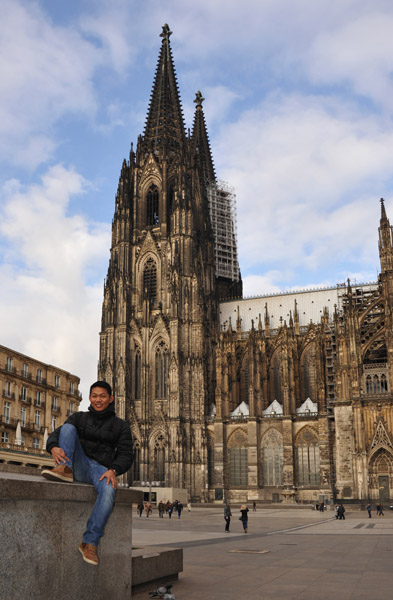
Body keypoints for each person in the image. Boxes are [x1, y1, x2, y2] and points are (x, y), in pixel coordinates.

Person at [41, 381, 133, 566]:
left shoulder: (120, 426)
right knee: (67, 428)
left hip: (100, 469)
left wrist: (113, 470)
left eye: (103, 396)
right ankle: (64, 470)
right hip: (78, 464)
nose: (98, 400)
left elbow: (126, 453)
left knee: (108, 491)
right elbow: (56, 434)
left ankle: (90, 543)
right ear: (90, 398)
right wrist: (53, 447)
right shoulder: (79, 417)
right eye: (95, 396)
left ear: (110, 399)